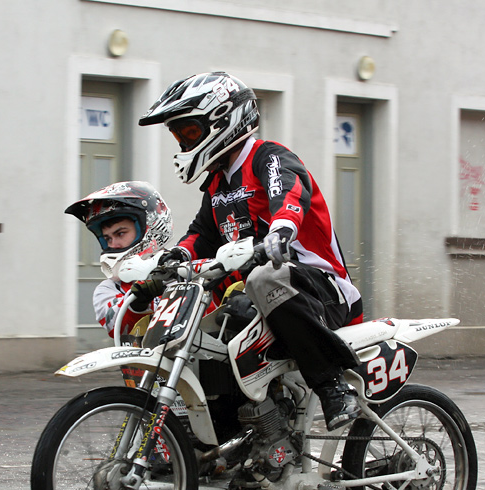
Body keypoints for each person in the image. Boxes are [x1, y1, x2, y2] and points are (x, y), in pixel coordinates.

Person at [138, 71, 364, 431]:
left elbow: (289, 192)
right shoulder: (218, 183)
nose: (183, 143)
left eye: (189, 132)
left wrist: (282, 229)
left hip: (321, 293)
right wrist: (174, 258)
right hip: (263, 299)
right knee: (213, 328)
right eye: (178, 136)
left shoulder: (268, 158)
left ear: (222, 120)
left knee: (263, 277)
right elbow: (202, 234)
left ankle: (332, 385)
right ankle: (235, 432)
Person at [64, 181, 172, 340]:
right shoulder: (108, 289)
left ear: (150, 226)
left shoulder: (183, 266)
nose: (113, 244)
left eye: (120, 233)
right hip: (145, 355)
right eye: (107, 238)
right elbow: (118, 326)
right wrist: (139, 300)